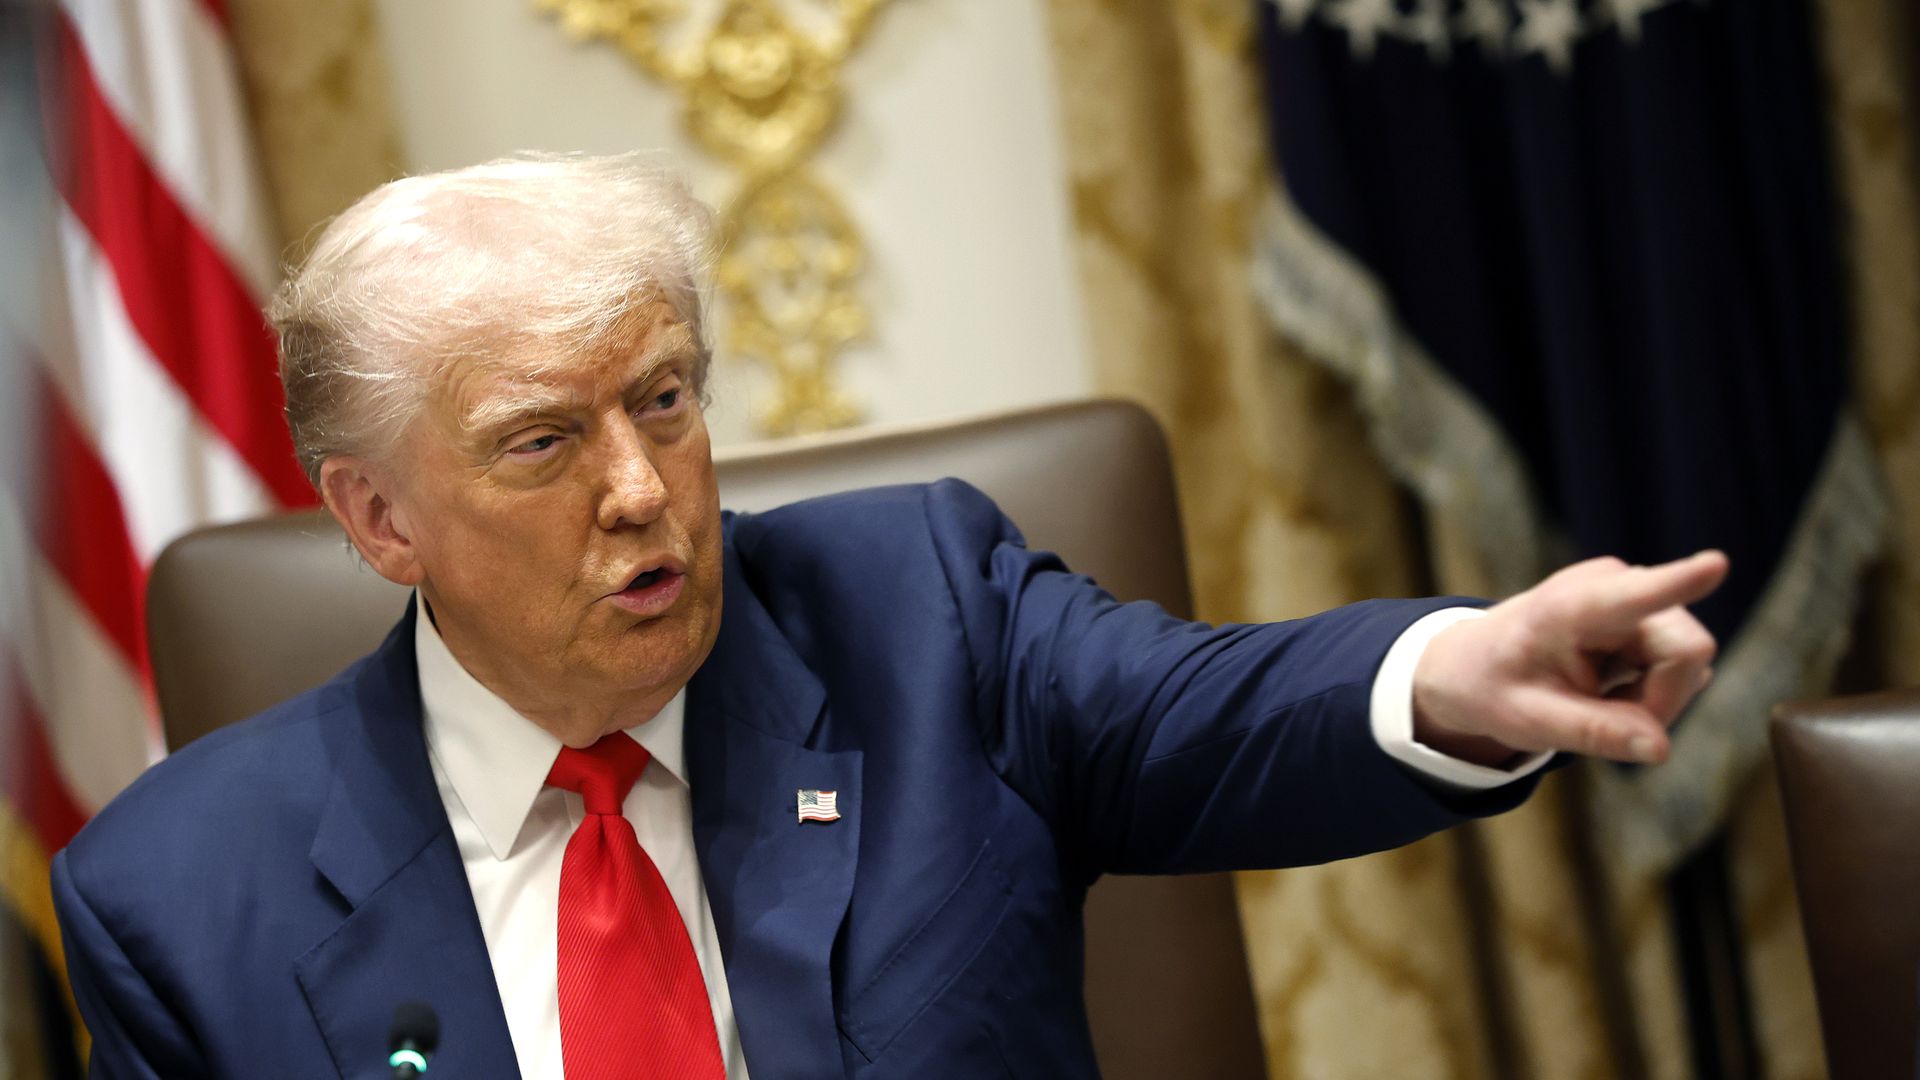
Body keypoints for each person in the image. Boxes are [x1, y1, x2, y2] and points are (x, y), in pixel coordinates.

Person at [51, 154, 1726, 1079]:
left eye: (666, 401)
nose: (642, 491)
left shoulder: (913, 612)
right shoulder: (175, 904)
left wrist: (1463, 670)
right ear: (379, 518)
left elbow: (1206, 711)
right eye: (544, 444)